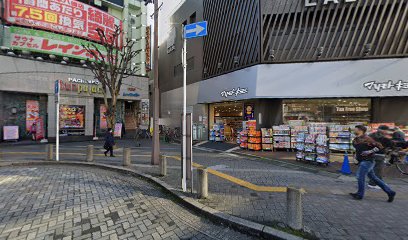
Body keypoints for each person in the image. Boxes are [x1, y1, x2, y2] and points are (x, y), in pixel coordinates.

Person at [350, 125, 396, 202]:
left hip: (367, 161)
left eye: (355, 129)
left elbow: (379, 146)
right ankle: (390, 192)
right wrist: (356, 157)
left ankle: (360, 194)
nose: (354, 131)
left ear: (360, 130)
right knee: (374, 178)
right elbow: (359, 149)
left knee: (360, 176)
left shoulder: (367, 139)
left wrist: (369, 151)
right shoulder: (356, 139)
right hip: (362, 161)